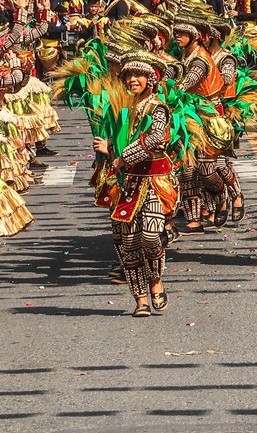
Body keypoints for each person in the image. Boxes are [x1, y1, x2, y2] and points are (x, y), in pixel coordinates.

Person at [96, 51, 177, 317]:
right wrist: (107, 150)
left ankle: (155, 280)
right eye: (128, 75)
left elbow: (155, 138)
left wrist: (122, 158)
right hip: (127, 184)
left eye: (138, 75)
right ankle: (140, 299)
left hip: (154, 181)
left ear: (150, 79)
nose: (132, 79)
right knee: (128, 242)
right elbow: (116, 139)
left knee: (151, 236)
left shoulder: (158, 108)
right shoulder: (123, 109)